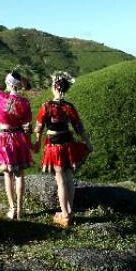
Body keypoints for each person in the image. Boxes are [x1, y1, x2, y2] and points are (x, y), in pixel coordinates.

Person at [33, 71, 93, 228]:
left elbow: (39, 128)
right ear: (65, 89)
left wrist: (37, 142)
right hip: (69, 145)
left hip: (55, 148)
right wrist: (88, 143)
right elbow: (79, 128)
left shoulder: (46, 106)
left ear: (54, 87)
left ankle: (64, 215)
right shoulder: (69, 107)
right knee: (68, 178)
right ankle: (69, 211)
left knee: (60, 180)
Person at [0, 72, 33, 220]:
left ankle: (12, 208)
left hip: (5, 139)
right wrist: (30, 142)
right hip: (19, 138)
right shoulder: (25, 103)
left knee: (8, 175)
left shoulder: (1, 96)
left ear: (9, 84)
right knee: (20, 175)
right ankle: (21, 210)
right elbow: (28, 126)